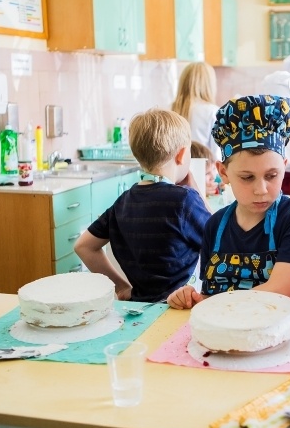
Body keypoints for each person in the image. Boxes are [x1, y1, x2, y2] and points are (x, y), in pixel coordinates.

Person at [166, 95, 290, 311]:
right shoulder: (215, 225)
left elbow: (280, 292)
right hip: (224, 336)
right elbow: (208, 293)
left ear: (284, 167)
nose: (261, 190)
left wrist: (210, 304)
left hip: (284, 335)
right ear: (224, 172)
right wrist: (188, 297)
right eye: (247, 177)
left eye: (272, 175)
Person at [75, 109, 211, 302]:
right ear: (181, 155)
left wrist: (121, 287)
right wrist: (197, 192)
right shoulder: (184, 201)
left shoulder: (122, 202)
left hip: (139, 309)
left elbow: (84, 246)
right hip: (180, 308)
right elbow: (221, 238)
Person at [171, 62, 221, 161]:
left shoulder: (169, 109)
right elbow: (218, 156)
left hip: (175, 173)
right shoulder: (213, 112)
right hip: (205, 173)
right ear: (209, 85)